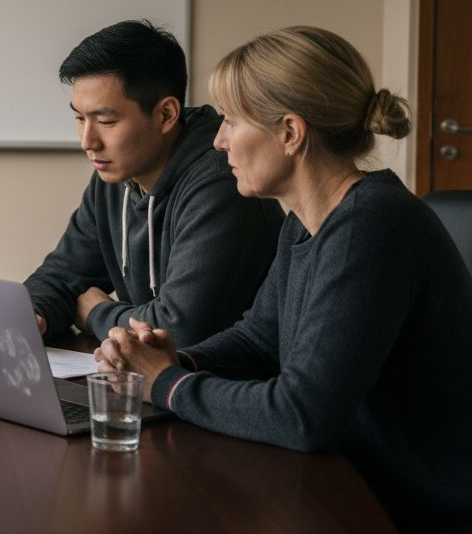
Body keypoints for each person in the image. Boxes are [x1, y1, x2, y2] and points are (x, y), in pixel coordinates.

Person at [95, 27, 472, 528]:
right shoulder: (306, 220)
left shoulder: (370, 225)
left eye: (231, 120)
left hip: (407, 506)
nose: (218, 139)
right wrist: (173, 358)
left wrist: (166, 384)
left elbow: (302, 415)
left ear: (290, 133)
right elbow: (259, 339)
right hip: (345, 478)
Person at [27, 20, 283, 347]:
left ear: (165, 115)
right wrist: (36, 315)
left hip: (219, 388)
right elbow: (60, 277)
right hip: (156, 385)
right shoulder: (113, 176)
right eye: (79, 118)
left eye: (106, 121)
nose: (87, 142)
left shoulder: (223, 182)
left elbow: (178, 329)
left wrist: (97, 313)